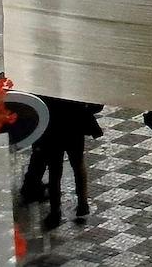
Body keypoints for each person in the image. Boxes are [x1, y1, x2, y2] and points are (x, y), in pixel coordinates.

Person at [18, 95, 102, 228]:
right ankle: (82, 204)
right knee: (77, 164)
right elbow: (96, 106)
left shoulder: (46, 86)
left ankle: (55, 212)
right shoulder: (74, 85)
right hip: (74, 125)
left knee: (54, 170)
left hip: (51, 127)